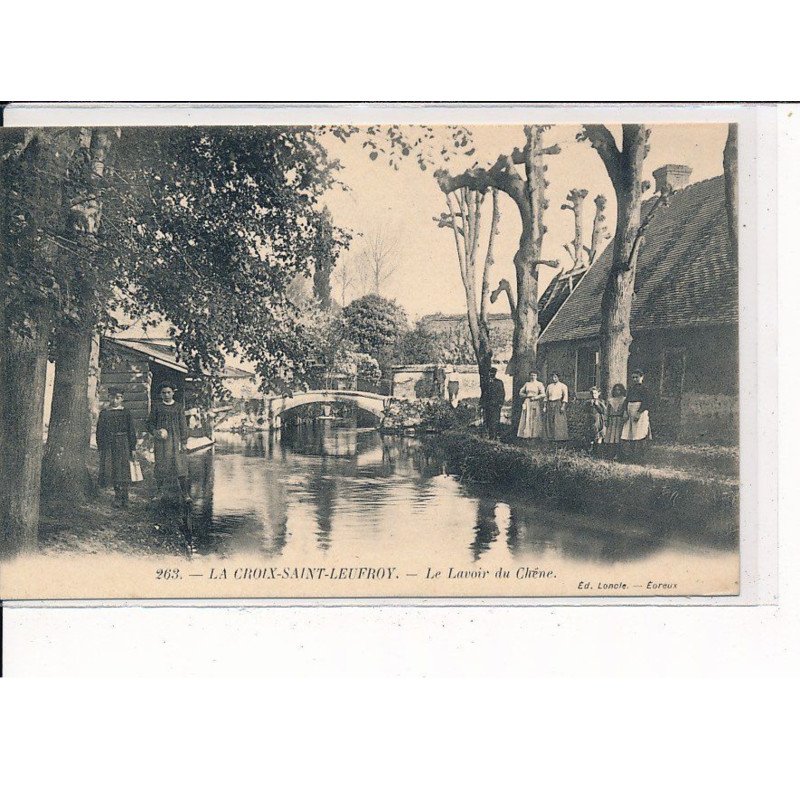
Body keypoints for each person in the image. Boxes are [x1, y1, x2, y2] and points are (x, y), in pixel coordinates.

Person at [146, 381, 190, 502]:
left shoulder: (178, 407)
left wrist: (184, 441)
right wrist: (156, 432)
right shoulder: (157, 407)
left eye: (168, 392)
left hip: (176, 441)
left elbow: (183, 425)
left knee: (180, 467)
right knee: (161, 466)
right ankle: (159, 492)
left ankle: (185, 493)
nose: (166, 395)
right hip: (162, 443)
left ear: (173, 393)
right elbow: (149, 424)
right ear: (161, 394)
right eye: (164, 393)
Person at [96, 388, 138, 508]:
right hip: (109, 444)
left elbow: (131, 431)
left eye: (118, 398)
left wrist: (133, 448)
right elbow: (99, 431)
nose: (115, 400)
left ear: (122, 399)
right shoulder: (104, 413)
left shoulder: (126, 412)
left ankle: (126, 496)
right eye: (112, 397)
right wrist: (101, 447)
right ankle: (118, 496)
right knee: (114, 469)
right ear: (108, 397)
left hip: (123, 443)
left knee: (124, 469)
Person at [621, 369, 652, 458]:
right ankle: (631, 454)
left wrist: (639, 413)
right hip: (630, 411)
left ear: (642, 377)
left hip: (640, 411)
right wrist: (625, 412)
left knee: (640, 432)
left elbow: (646, 402)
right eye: (633, 377)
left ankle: (640, 455)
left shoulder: (645, 389)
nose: (634, 379)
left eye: (636, 377)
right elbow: (626, 401)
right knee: (630, 433)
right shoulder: (631, 388)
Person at [516, 370, 545, 441]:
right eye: (531, 375)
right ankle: (526, 434)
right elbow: (520, 392)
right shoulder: (527, 384)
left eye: (534, 375)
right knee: (527, 416)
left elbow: (543, 394)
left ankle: (534, 435)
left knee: (534, 417)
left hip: (535, 401)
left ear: (537, 376)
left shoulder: (539, 384)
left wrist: (535, 397)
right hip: (527, 402)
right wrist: (526, 396)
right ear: (529, 376)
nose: (533, 377)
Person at [544, 372, 570, 441]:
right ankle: (550, 437)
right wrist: (545, 406)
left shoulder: (563, 386)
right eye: (553, 377)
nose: (554, 379)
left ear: (558, 377)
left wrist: (563, 406)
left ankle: (560, 437)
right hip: (550, 403)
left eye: (555, 377)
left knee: (558, 420)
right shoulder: (549, 386)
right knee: (550, 420)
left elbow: (565, 397)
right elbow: (546, 397)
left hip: (558, 403)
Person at [604, 383, 627, 457]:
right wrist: (606, 420)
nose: (617, 391)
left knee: (618, 436)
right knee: (611, 436)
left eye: (619, 390)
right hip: (612, 420)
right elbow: (607, 411)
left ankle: (619, 454)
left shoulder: (624, 399)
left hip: (620, 420)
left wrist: (624, 417)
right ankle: (610, 453)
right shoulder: (610, 400)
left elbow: (625, 410)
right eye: (616, 390)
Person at [485, 367, 506, 438]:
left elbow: (502, 393)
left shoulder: (499, 382)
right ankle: (490, 434)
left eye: (493, 373)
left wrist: (501, 403)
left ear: (495, 373)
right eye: (490, 373)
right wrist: (482, 403)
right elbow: (484, 393)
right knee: (488, 419)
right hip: (488, 404)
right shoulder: (486, 382)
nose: (492, 374)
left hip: (496, 404)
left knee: (495, 419)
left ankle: (495, 435)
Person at [587, 386, 606, 454]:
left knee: (599, 433)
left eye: (595, 393)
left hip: (598, 419)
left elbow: (603, 411)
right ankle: (591, 448)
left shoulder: (601, 401)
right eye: (592, 393)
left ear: (599, 393)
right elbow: (586, 410)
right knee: (592, 433)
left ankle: (598, 449)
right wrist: (590, 405)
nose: (593, 395)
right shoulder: (589, 402)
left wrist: (597, 405)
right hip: (591, 418)